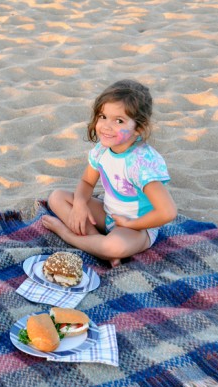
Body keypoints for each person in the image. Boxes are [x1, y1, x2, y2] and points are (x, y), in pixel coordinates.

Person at [42, 79, 177, 267]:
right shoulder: (102, 150)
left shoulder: (141, 163)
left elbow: (167, 212)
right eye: (103, 116)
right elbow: (87, 183)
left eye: (119, 121)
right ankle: (96, 241)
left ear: (139, 128)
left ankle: (70, 236)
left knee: (114, 246)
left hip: (137, 227)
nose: (106, 126)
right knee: (57, 197)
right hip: (107, 213)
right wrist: (80, 204)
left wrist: (129, 225)